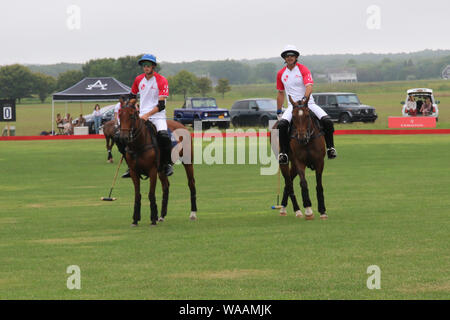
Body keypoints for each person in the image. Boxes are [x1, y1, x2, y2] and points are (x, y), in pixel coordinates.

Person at [276, 45, 337, 164]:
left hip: (309, 104)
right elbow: (280, 92)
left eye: (292, 55)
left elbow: (309, 86)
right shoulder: (281, 74)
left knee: (327, 121)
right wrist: (278, 111)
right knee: (282, 125)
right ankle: (283, 153)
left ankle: (330, 148)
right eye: (287, 56)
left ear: (296, 57)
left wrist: (305, 99)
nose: (290, 58)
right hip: (292, 106)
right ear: (284, 58)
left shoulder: (303, 69)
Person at [127, 54, 173, 176]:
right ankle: (130, 165)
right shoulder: (138, 79)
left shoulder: (161, 80)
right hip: (141, 115)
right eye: (143, 65)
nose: (145, 67)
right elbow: (133, 97)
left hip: (157, 115)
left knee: (164, 137)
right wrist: (130, 106)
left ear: (153, 66)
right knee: (125, 136)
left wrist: (147, 114)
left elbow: (161, 105)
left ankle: (167, 164)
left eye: (148, 65)